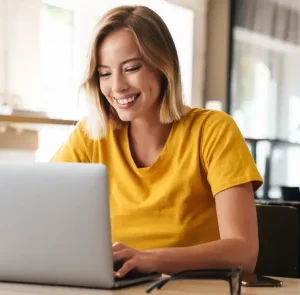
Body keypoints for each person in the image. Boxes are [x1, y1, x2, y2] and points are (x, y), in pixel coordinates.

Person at [51, 5, 263, 279]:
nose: (117, 87)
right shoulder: (90, 136)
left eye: (131, 68)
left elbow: (244, 254)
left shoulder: (213, 131)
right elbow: (43, 215)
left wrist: (151, 259)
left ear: (164, 66)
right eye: (104, 73)